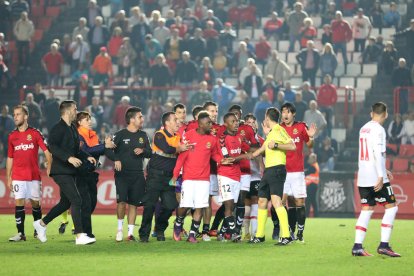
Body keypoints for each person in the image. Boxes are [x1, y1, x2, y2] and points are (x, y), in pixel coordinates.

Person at [33, 100, 97, 245]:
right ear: (68, 111)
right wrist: (68, 158)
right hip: (60, 171)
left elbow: (77, 150)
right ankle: (80, 235)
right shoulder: (57, 128)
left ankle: (41, 224)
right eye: (75, 109)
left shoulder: (72, 128)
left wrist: (87, 156)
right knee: (77, 200)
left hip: (69, 171)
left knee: (65, 203)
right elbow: (52, 147)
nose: (76, 111)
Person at [171, 111, 232, 243]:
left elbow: (215, 154)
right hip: (188, 178)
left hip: (204, 179)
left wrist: (222, 160)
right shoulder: (188, 135)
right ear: (200, 124)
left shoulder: (212, 139)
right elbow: (181, 157)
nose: (211, 125)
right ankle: (178, 223)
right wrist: (175, 175)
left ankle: (192, 234)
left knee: (200, 206)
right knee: (185, 206)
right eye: (208, 123)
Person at [352, 102, 400, 257]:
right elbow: (377, 153)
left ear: (371, 113)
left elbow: (368, 153)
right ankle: (384, 245)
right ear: (385, 114)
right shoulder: (379, 130)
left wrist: (384, 170)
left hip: (363, 176)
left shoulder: (363, 128)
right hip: (375, 177)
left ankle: (357, 247)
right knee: (392, 207)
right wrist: (381, 175)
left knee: (367, 210)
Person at [138, 112, 190, 242]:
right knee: (150, 205)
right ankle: (144, 235)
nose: (178, 122)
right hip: (155, 175)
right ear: (167, 123)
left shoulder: (178, 136)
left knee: (170, 205)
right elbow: (167, 149)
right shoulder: (159, 135)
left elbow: (185, 149)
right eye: (175, 120)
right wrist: (180, 148)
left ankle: (159, 228)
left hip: (170, 177)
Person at [58, 111, 111, 236]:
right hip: (80, 173)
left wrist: (106, 146)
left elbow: (95, 151)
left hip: (91, 172)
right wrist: (104, 146)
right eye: (87, 120)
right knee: (85, 203)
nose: (90, 122)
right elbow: (86, 150)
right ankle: (85, 232)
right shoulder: (78, 135)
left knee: (92, 203)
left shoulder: (92, 135)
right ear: (79, 122)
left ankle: (80, 228)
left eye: (90, 119)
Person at [249, 107, 296, 245]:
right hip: (269, 171)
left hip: (277, 169)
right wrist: (252, 155)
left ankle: (286, 236)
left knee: (276, 203)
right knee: (261, 202)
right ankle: (260, 235)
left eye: (265, 118)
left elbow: (292, 146)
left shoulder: (279, 130)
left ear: (267, 118)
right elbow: (264, 147)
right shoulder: (271, 133)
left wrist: (276, 145)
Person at [105, 107, 151, 242]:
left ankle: (130, 233)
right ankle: (119, 230)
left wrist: (143, 150)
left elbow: (150, 152)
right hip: (122, 175)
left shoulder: (143, 135)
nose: (142, 119)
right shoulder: (120, 134)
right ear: (132, 119)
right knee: (121, 202)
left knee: (134, 204)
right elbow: (108, 150)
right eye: (140, 117)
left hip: (138, 175)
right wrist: (116, 159)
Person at [273, 102, 316, 242]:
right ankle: (287, 231)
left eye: (288, 112)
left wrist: (311, 137)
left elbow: (310, 145)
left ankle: (300, 232)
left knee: (299, 202)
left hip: (297, 172)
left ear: (293, 114)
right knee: (282, 202)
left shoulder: (301, 126)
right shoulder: (278, 128)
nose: (285, 115)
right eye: (283, 112)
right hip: (282, 171)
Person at [7, 105, 52, 242]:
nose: (15, 117)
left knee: (35, 204)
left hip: (33, 176)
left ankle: (37, 230)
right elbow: (10, 157)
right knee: (19, 203)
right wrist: (8, 177)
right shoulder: (12, 136)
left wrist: (49, 166)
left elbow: (47, 151)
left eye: (18, 114)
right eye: (14, 114)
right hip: (18, 176)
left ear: (25, 116)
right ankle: (21, 234)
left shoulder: (35, 133)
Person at [304, 153, 319, 217]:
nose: (309, 159)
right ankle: (316, 215)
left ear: (313, 159)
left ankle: (307, 215)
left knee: (308, 201)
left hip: (311, 185)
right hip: (313, 185)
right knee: (313, 201)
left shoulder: (313, 167)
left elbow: (306, 173)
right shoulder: (315, 165)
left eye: (310, 158)